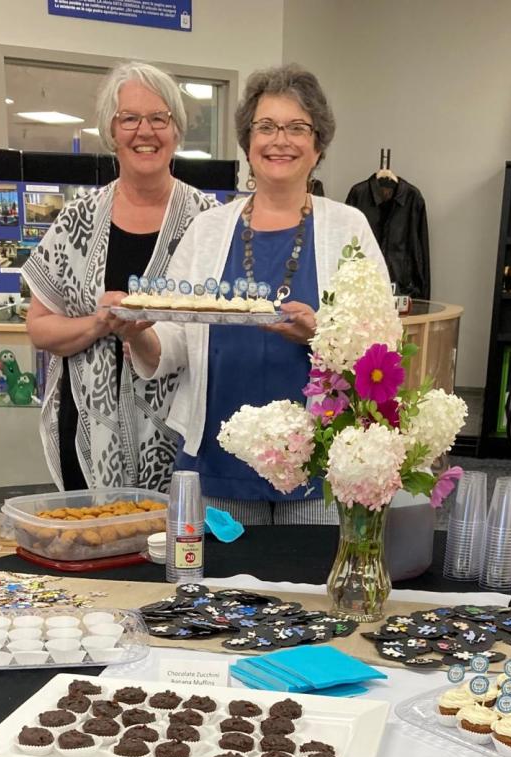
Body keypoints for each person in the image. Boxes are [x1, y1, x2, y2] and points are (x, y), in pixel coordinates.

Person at [122, 64, 387, 524]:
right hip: (217, 467)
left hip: (318, 472)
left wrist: (318, 336)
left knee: (311, 594)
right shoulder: (207, 231)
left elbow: (380, 346)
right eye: (265, 127)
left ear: (318, 145)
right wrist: (137, 334)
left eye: (297, 128)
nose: (279, 140)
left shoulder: (349, 228)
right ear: (248, 143)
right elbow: (170, 342)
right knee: (210, 592)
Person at [23, 62, 214, 492]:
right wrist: (98, 322)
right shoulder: (77, 220)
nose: (144, 131)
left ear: (176, 130)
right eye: (129, 118)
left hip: (180, 438)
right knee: (93, 545)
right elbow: (39, 328)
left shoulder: (209, 223)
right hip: (88, 432)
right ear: (111, 132)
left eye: (158, 119)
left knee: (173, 553)